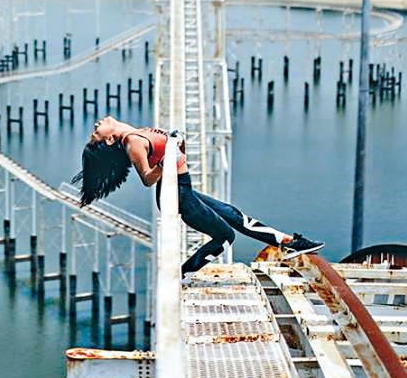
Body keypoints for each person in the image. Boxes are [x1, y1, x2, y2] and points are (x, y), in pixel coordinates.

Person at [71, 116, 324, 276]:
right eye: (95, 134)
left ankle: (290, 243)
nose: (95, 127)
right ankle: (184, 274)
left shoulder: (137, 133)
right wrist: (168, 156)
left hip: (184, 187)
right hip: (179, 194)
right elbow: (148, 179)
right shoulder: (132, 142)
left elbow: (177, 153)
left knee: (235, 215)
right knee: (226, 235)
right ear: (109, 140)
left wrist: (177, 146)